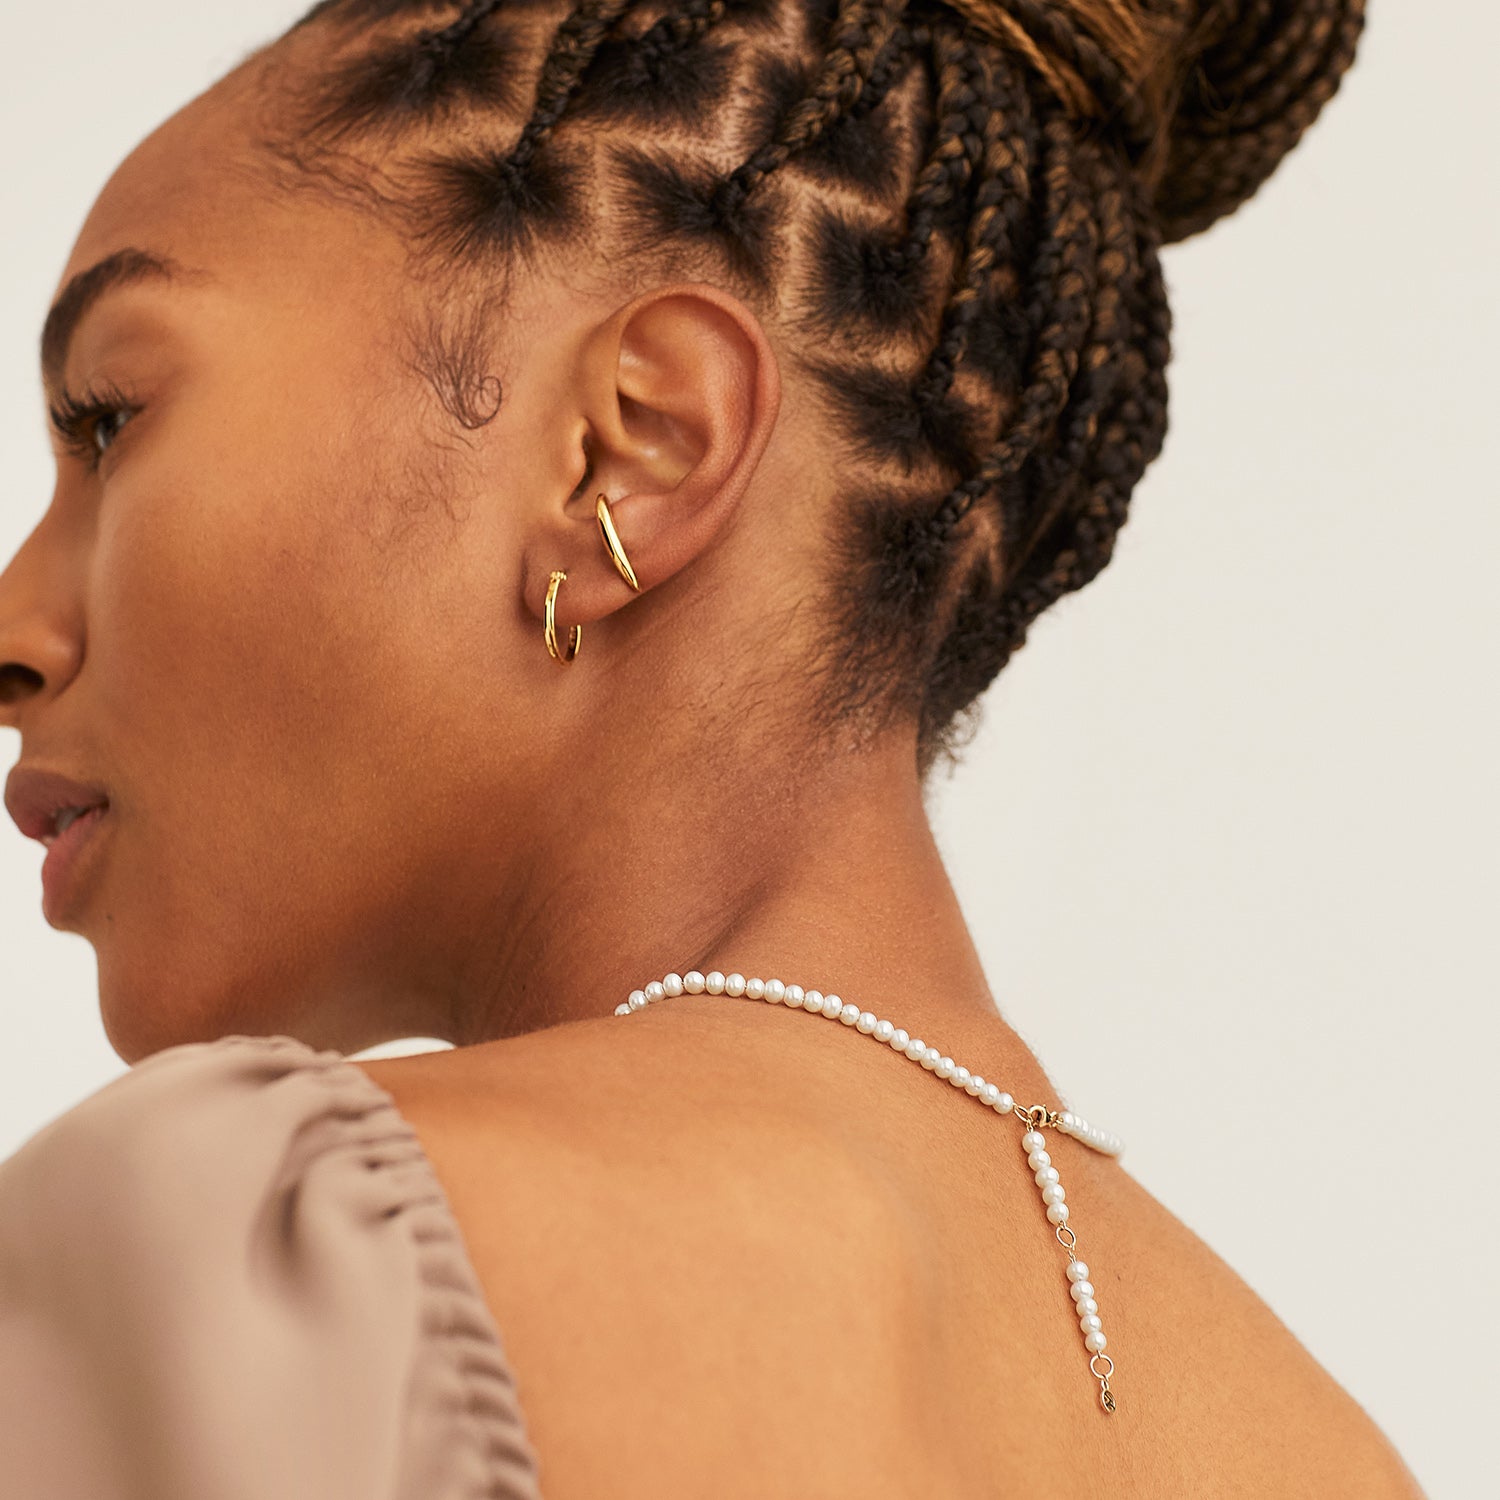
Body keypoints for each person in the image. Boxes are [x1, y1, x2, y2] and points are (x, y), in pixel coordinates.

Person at [0, 0, 1426, 1495]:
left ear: (627, 451)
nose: (17, 627)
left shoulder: (262, 1253)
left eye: (109, 419)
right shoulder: (1327, 1451)